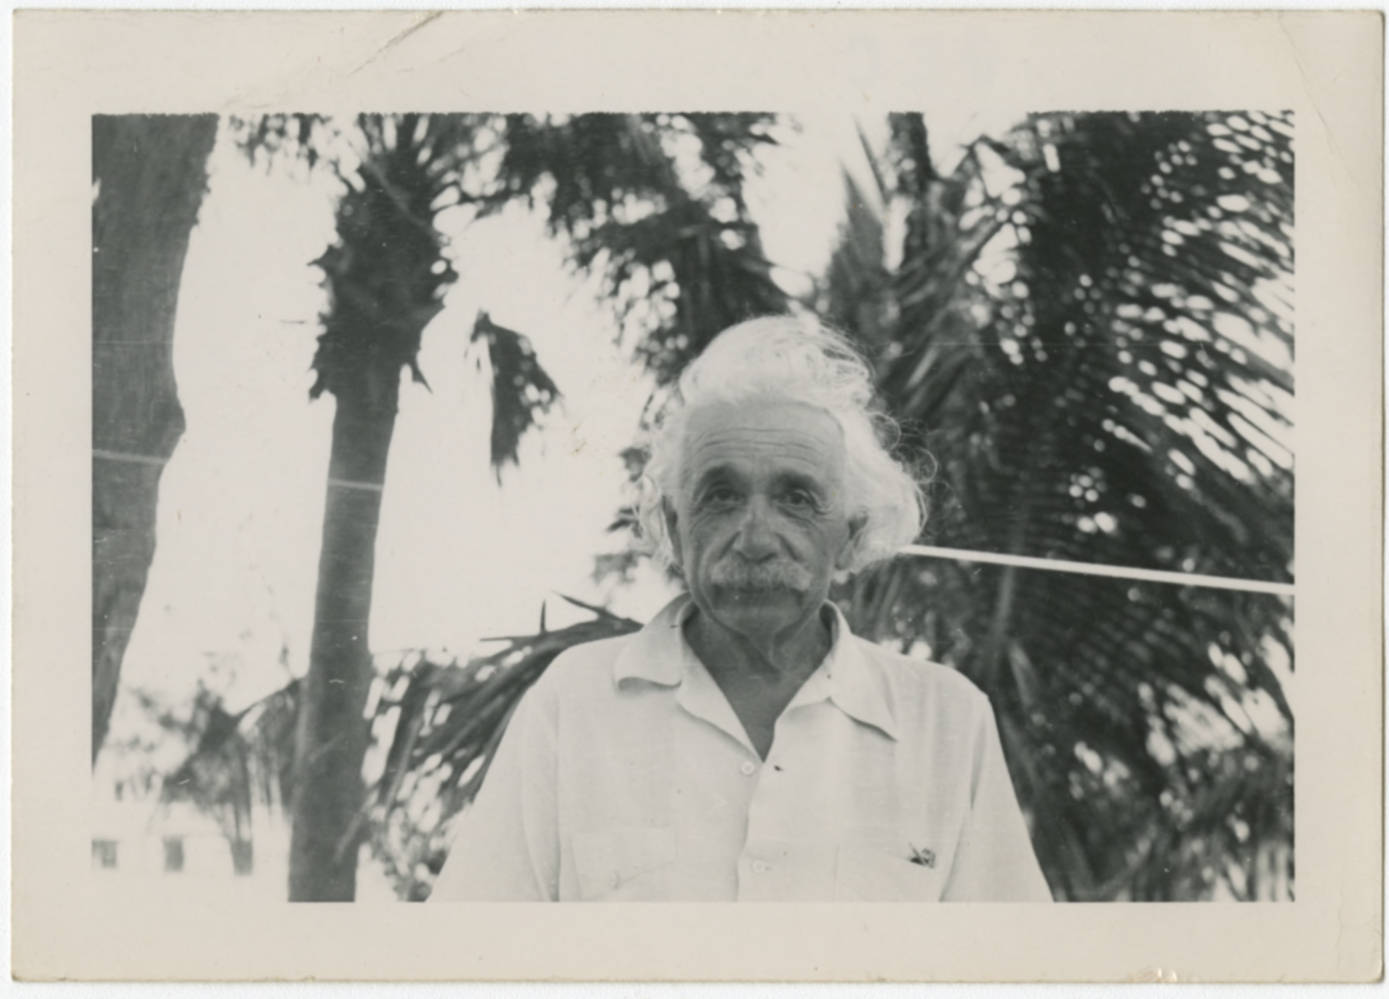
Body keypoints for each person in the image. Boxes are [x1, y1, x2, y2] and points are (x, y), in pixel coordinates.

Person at [431, 315, 1052, 902]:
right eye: (721, 496)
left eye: (797, 498)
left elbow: (1010, 962)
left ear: (851, 534)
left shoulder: (944, 720)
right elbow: (473, 949)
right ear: (675, 527)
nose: (755, 539)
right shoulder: (575, 702)